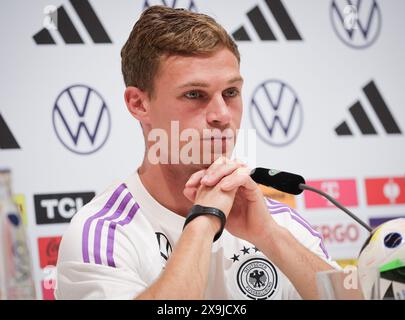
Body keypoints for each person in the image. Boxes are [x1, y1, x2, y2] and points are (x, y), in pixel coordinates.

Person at [55, 5, 338, 300]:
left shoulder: (278, 223)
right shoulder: (101, 234)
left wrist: (270, 236)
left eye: (230, 93)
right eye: (194, 95)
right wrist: (205, 219)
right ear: (138, 104)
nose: (221, 115)